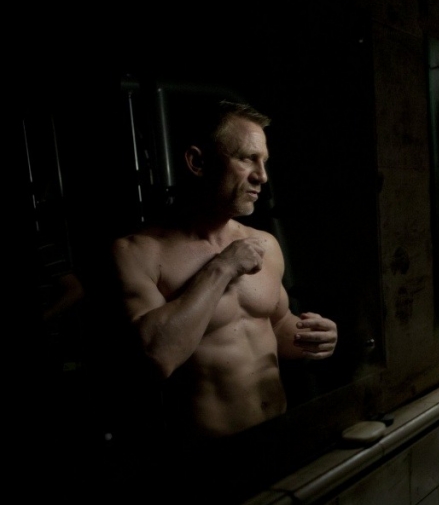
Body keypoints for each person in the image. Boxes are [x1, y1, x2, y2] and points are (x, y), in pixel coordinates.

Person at [112, 100, 338, 440]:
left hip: (279, 434)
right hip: (210, 456)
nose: (262, 176)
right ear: (197, 162)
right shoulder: (139, 252)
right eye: (247, 158)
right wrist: (222, 267)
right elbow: (155, 358)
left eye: (264, 162)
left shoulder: (264, 244)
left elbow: (275, 325)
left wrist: (314, 338)